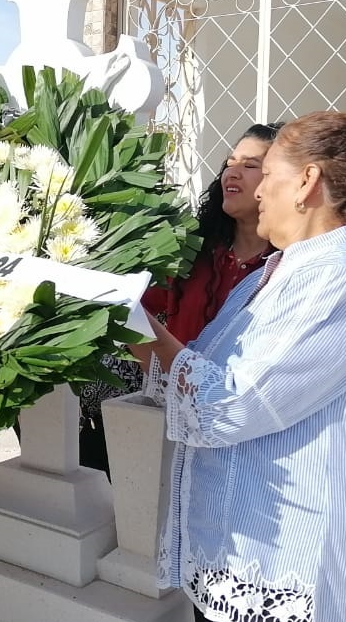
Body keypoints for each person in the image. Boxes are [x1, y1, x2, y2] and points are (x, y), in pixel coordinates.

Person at [130, 111, 346, 622]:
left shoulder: (340, 282)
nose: (255, 190)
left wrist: (150, 332)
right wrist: (127, 325)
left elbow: (235, 404)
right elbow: (196, 376)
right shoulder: (269, 276)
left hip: (287, 568)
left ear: (307, 182)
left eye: (269, 174)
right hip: (231, 552)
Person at [77, 122, 281, 473]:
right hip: (171, 413)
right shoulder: (192, 250)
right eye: (229, 163)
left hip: (241, 429)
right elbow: (139, 318)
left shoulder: (288, 268)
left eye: (250, 165)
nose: (233, 172)